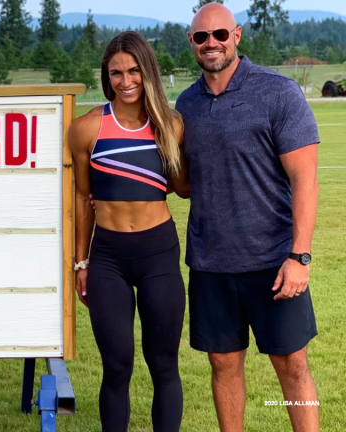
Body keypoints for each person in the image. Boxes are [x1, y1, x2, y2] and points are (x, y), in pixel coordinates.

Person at [176, 4, 320, 432]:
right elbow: (184, 183)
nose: (211, 43)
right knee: (223, 364)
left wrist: (300, 256)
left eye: (219, 34)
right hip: (211, 263)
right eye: (202, 37)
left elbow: (305, 180)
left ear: (237, 35)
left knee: (292, 363)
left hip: (274, 261)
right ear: (191, 42)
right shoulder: (186, 104)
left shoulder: (277, 92)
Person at [69, 31, 189, 432]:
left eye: (134, 71)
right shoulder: (87, 129)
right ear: (107, 76)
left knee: (163, 364)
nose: (126, 81)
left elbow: (183, 187)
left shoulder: (170, 126)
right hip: (108, 259)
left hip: (158, 253)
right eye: (116, 73)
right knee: (117, 364)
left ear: (148, 72)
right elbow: (82, 198)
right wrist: (80, 261)